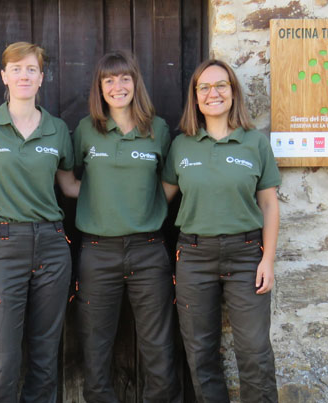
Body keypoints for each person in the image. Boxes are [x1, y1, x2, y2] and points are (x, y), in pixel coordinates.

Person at [0, 42, 76, 402]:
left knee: (44, 349)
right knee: (2, 350)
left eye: (32, 69)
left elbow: (70, 186)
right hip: (5, 244)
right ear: (3, 75)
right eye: (17, 68)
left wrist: (125, 184)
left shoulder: (57, 129)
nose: (25, 75)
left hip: (53, 246)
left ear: (42, 77)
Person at [162, 59, 280, 402]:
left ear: (233, 92)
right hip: (194, 257)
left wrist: (267, 259)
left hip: (246, 256)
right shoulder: (181, 145)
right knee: (200, 352)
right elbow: (159, 197)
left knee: (254, 350)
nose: (213, 93)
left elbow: (269, 204)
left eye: (221, 86)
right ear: (195, 98)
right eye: (204, 87)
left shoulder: (254, 143)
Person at [72, 51, 180, 403]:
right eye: (108, 80)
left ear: (136, 82)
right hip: (97, 251)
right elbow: (70, 179)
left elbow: (169, 183)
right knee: (95, 343)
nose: (117, 86)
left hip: (148, 250)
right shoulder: (87, 129)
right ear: (99, 88)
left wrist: (145, 209)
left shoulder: (158, 129)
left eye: (124, 78)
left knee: (158, 344)